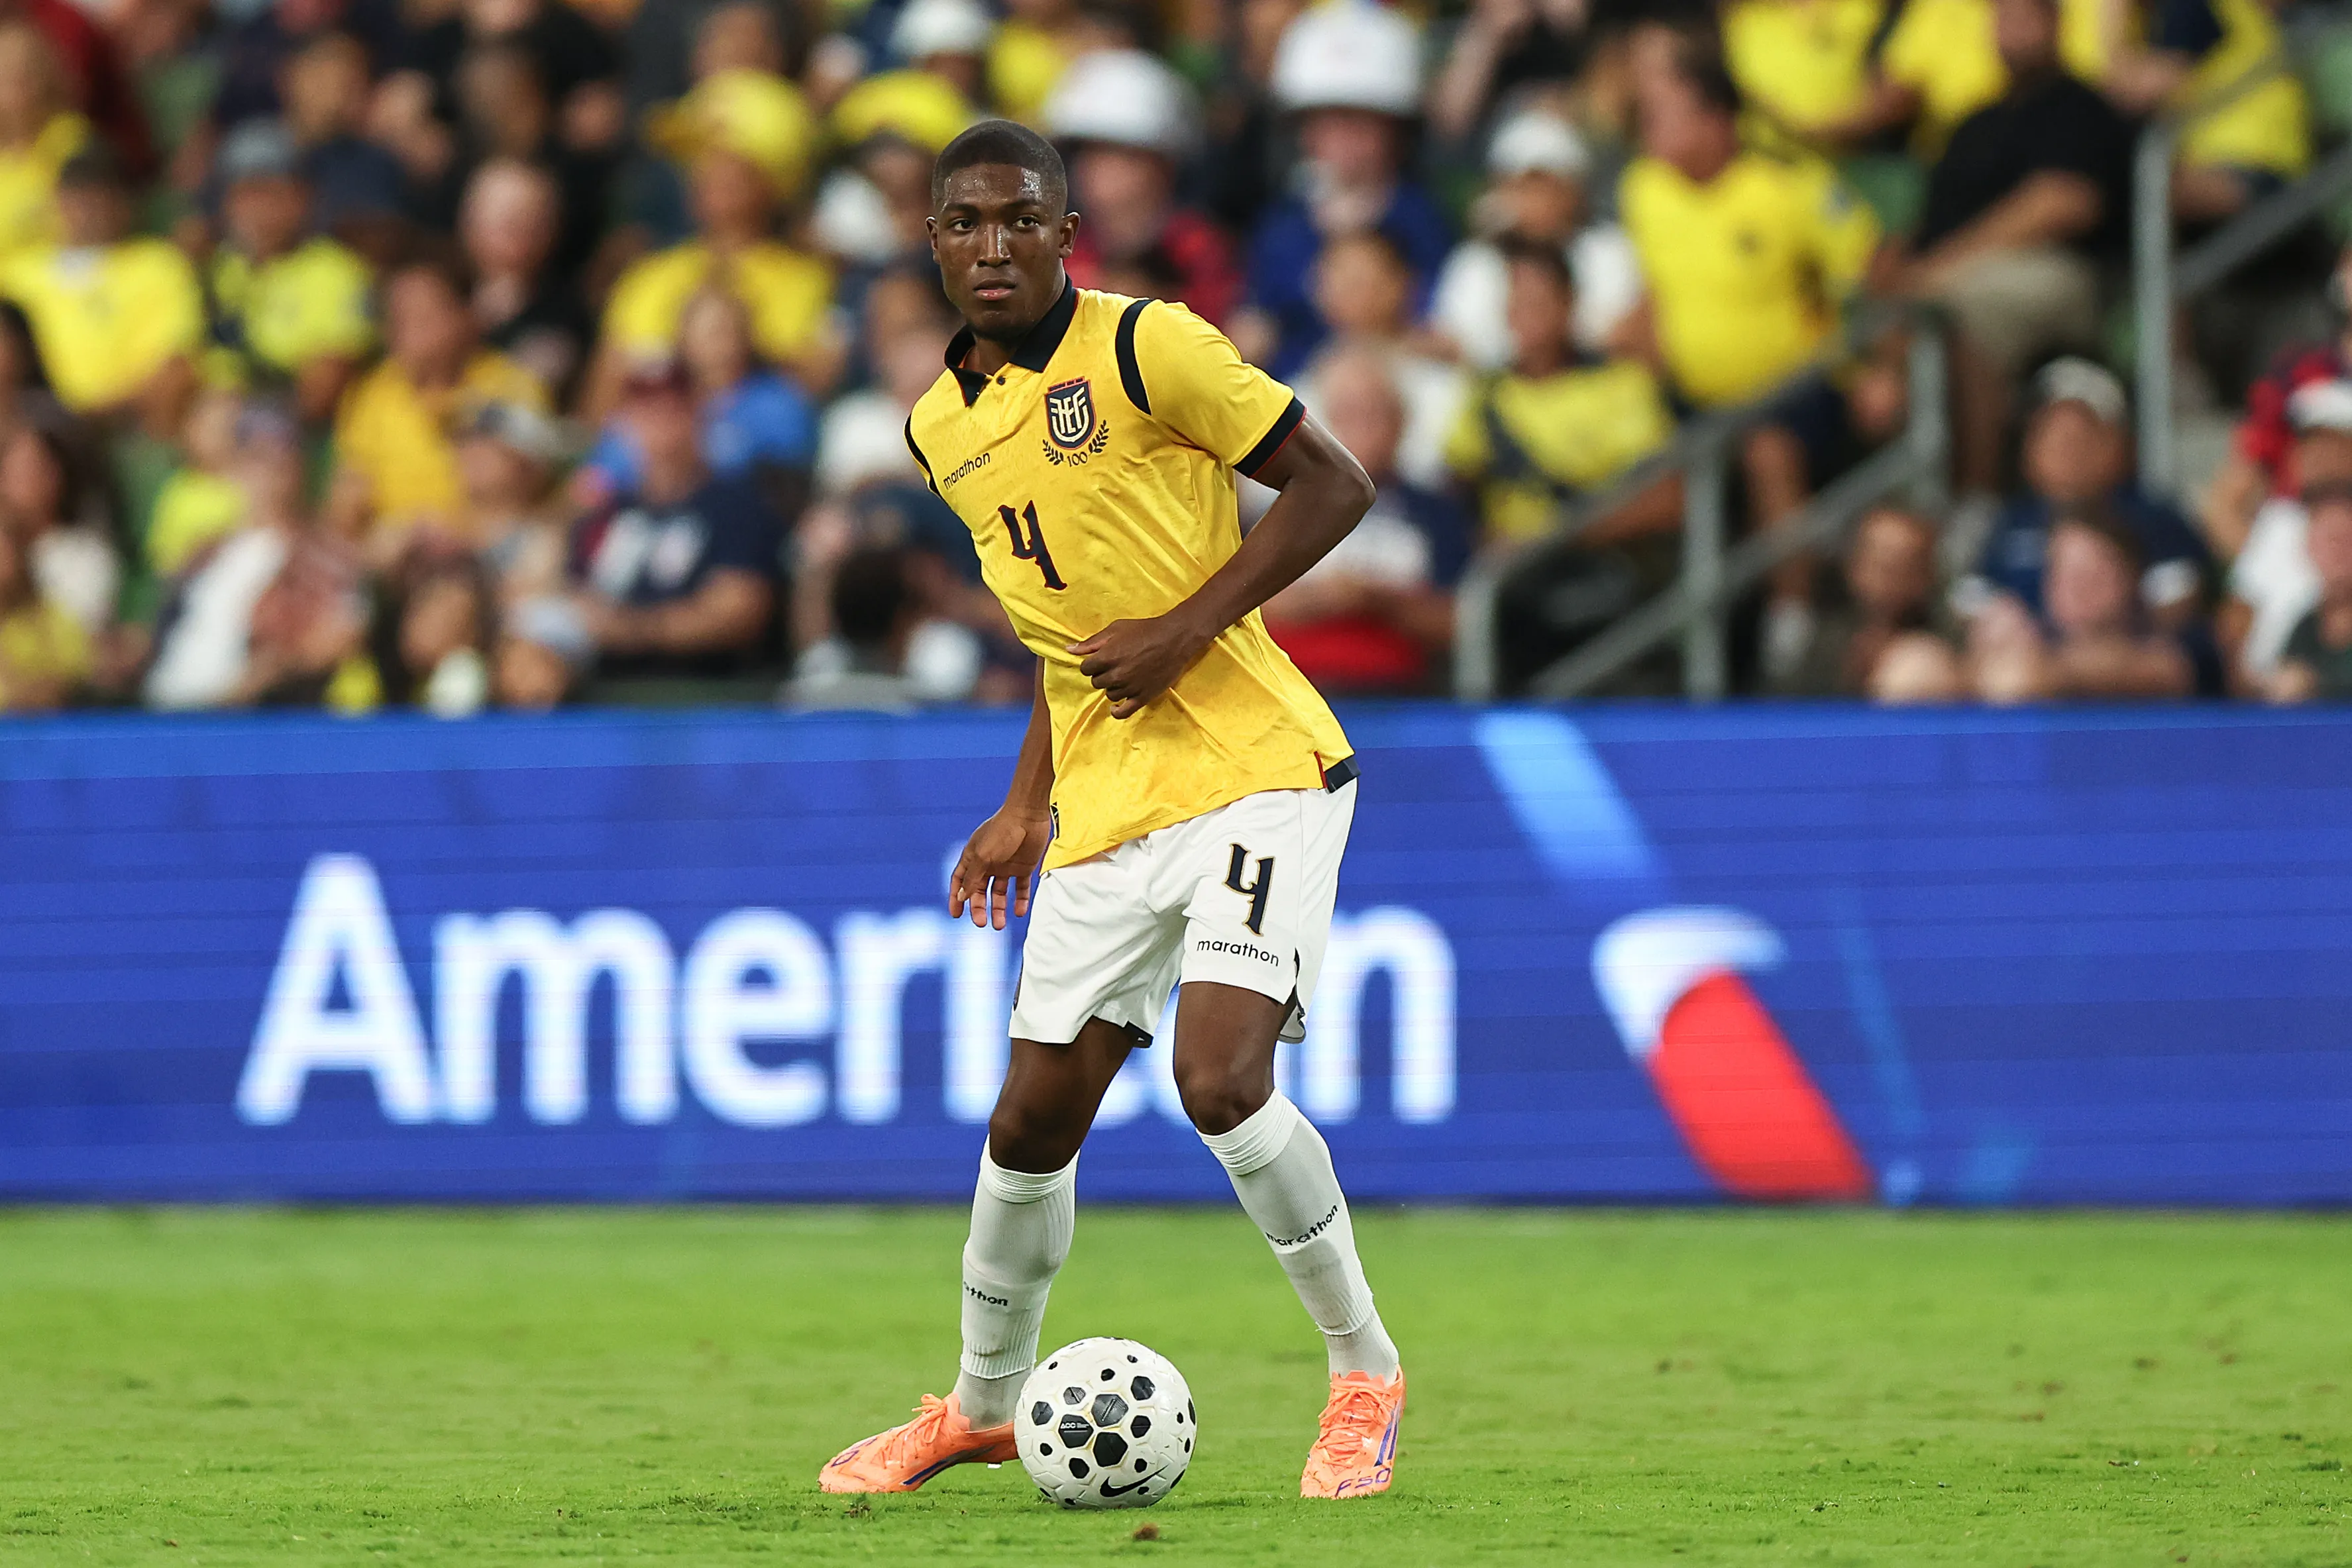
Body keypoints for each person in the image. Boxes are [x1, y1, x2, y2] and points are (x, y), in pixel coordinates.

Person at [820, 121, 1403, 1500]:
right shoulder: (938, 426)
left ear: (1065, 230)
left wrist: (1190, 627)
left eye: (1019, 218)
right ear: (933, 246)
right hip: (1104, 802)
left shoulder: (1152, 347)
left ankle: (1363, 1372)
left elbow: (1338, 484)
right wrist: (1023, 802)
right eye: (962, 222)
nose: (992, 244)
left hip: (1259, 765)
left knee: (1217, 1077)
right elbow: (1060, 632)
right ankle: (974, 1406)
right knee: (1028, 1122)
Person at [1619, 40, 1878, 664]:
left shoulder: (1790, 185)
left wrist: (1880, 369)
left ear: (1716, 119)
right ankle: (1652, 642)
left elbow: (1871, 271)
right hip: (1691, 400)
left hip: (1796, 395)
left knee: (1768, 450)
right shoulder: (1643, 188)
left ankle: (1793, 622)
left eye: (1667, 114)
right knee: (1629, 460)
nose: (1650, 129)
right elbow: (1655, 292)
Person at [1888, 0, 2133, 491]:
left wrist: (1943, 266)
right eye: (2004, 18)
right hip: (1958, 271)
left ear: (2056, 25)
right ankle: (1908, 491)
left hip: (2070, 275)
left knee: (1968, 305)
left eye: (2027, 17)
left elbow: (2066, 203)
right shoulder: (1974, 123)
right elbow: (1929, 225)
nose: (2014, 31)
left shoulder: (2081, 105)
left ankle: (1977, 493)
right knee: (1896, 313)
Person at [1245, 1, 1450, 379]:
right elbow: (1255, 328)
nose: (1343, 138)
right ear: (1302, 129)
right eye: (1327, 120)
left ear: (1398, 128)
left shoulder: (1424, 220)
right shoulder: (1282, 227)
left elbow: (1436, 331)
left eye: (1361, 120)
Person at [1444, 239, 1677, 549]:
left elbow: (1667, 499)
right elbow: (1457, 489)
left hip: (1603, 563)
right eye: (1516, 299)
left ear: (1569, 301)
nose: (1525, 311)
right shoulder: (1485, 395)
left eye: (1538, 300)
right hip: (1511, 577)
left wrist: (1557, 541)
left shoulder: (1620, 382)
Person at [1271, 342, 1466, 693]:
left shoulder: (1437, 511)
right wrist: (1319, 598)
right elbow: (1236, 610)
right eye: (1346, 414)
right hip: (1289, 689)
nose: (1361, 429)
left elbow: (1457, 622)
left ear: (1402, 421)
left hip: (1397, 690)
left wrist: (1376, 600)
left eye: (1374, 413)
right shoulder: (1278, 506)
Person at [566, 362, 780, 680]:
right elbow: (569, 596)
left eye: (672, 406)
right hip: (603, 695)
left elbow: (739, 611)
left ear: (698, 411)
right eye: (644, 407)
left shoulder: (736, 506)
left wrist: (633, 630)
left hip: (704, 694)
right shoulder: (604, 514)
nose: (658, 420)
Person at [328, 250, 549, 558]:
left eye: (427, 314)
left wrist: (450, 533)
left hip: (485, 553)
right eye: (401, 317)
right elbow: (348, 499)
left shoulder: (512, 388)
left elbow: (526, 493)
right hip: (396, 551)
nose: (413, 330)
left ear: (465, 315)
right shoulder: (374, 393)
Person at [1960, 358, 2208, 629]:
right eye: (2048, 432)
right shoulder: (2009, 521)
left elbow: (2178, 600)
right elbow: (1970, 601)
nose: (2065, 449)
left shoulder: (2154, 518)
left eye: (2080, 435)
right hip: (2020, 658)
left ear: (2119, 445)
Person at [1428, 109, 1642, 373]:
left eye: (1546, 186)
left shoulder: (1610, 251)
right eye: (1521, 186)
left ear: (1574, 191)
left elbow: (1618, 335)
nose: (1534, 199)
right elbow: (1452, 345)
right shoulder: (1475, 261)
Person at [2, 145, 200, 426]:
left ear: (123, 202)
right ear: (57, 202)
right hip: (31, 424)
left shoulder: (158, 265)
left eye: (99, 196)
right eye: (76, 197)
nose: (87, 210)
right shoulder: (16, 275)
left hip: (131, 423)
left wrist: (94, 418)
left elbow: (174, 362)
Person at [1047, 48, 1240, 327]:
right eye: (1086, 152)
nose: (1094, 168)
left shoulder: (1199, 250)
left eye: (1116, 153)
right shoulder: (1062, 252)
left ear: (1162, 164)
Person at [204, 119, 374, 423]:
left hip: (300, 438)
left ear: (303, 198)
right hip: (218, 427)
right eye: (243, 193)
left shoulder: (336, 272)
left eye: (268, 192)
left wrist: (245, 424)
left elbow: (323, 390)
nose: (254, 208)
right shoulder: (217, 269)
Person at [2223, 380, 2352, 692]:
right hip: (2272, 705)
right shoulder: (2277, 522)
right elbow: (2238, 620)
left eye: (2334, 444)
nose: (2319, 457)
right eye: (2309, 445)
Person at [1769, 505, 1947, 697]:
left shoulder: (1945, 643)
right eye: (1879, 563)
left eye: (1904, 566)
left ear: (1928, 575)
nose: (1886, 579)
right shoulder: (1824, 640)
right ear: (1852, 565)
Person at [2265, 484, 2352, 703]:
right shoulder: (2305, 628)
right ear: (2310, 548)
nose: (2339, 552)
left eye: (2348, 540)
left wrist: (2317, 685)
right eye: (2331, 541)